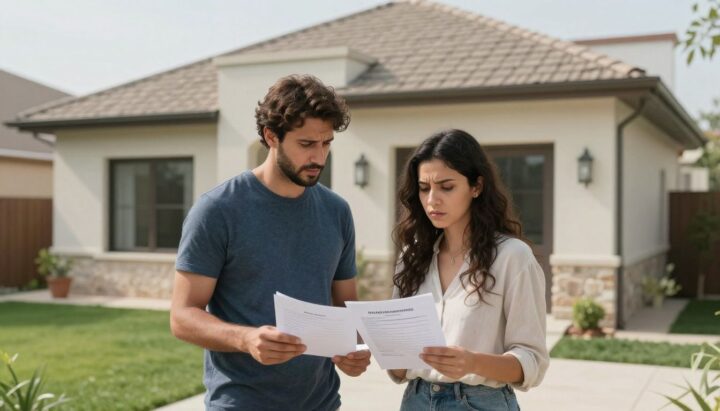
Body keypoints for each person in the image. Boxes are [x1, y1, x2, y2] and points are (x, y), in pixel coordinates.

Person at [170, 74, 371, 411]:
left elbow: (345, 306)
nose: (319, 157)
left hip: (321, 403)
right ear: (271, 136)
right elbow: (182, 316)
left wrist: (355, 349)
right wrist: (245, 339)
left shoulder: (337, 211)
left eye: (326, 143)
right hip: (242, 402)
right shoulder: (218, 209)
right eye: (307, 144)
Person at [388, 129, 549, 411]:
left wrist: (472, 362)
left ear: (476, 186)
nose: (432, 200)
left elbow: (532, 361)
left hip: (480, 403)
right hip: (415, 401)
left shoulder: (513, 257)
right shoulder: (412, 257)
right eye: (424, 188)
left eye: (446, 187)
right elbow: (398, 369)